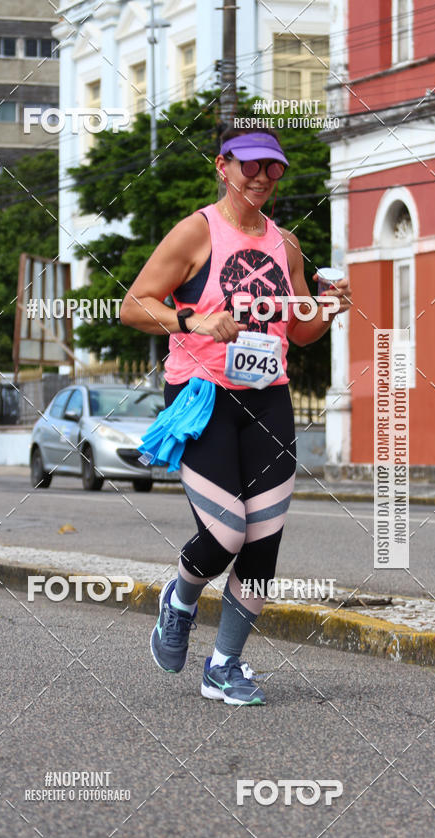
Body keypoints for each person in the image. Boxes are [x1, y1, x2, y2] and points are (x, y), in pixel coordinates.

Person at [120, 126, 351, 705]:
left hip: (268, 398)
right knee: (225, 533)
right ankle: (179, 599)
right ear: (222, 166)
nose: (261, 178)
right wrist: (192, 321)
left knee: (263, 542)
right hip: (203, 397)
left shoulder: (287, 244)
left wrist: (327, 310)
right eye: (249, 165)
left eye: (273, 169)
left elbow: (298, 333)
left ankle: (224, 665)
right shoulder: (197, 231)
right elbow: (134, 305)